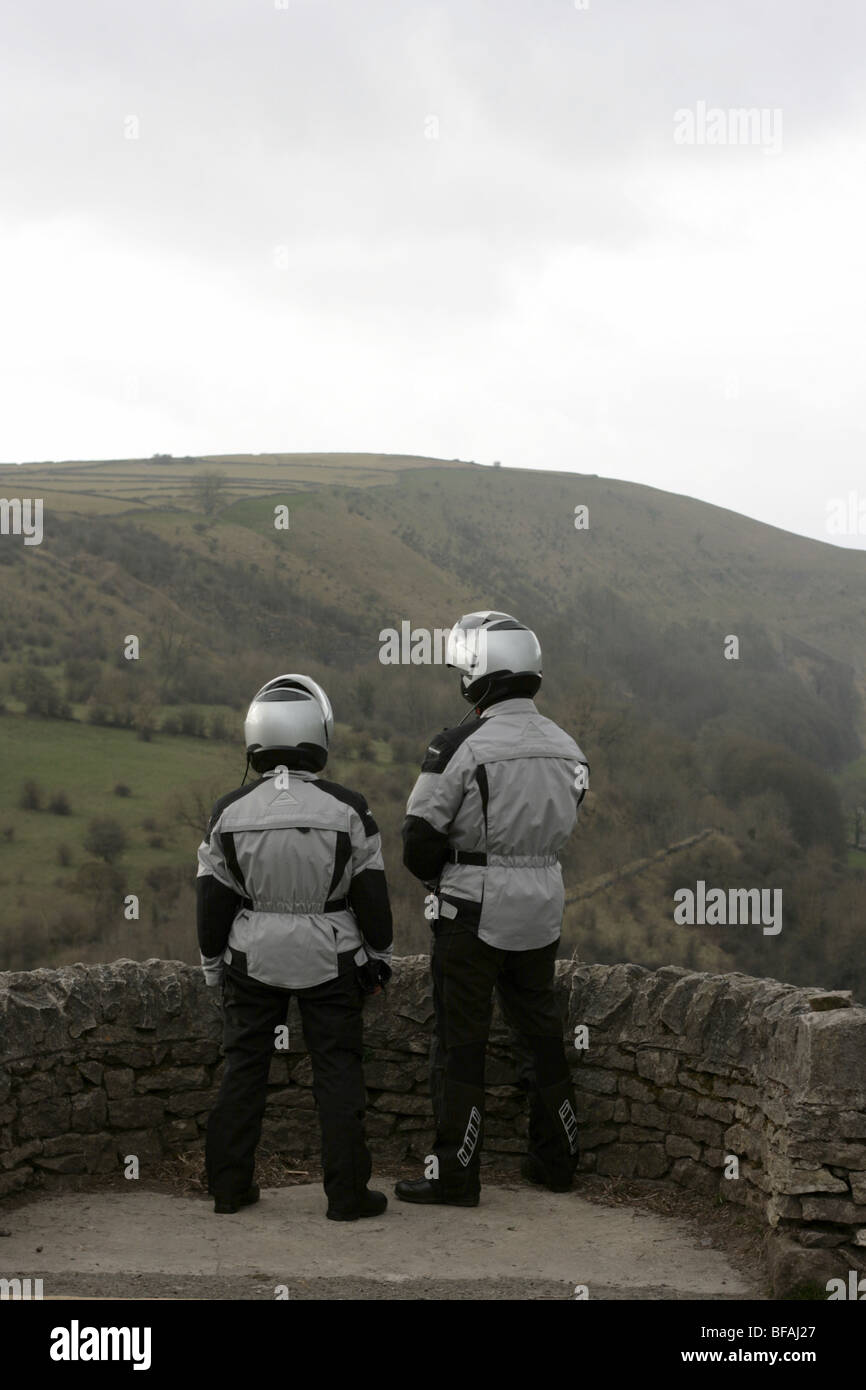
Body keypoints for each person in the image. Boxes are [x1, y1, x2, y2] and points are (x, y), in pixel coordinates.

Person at [395, 612, 589, 1207]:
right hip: (543, 906)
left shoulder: (458, 744)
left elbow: (417, 840)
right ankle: (557, 1163)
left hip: (473, 910)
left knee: (461, 1043)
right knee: (541, 1034)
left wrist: (447, 876)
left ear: (480, 673)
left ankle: (455, 1175)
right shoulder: (567, 746)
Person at [196, 673, 393, 1221]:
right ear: (318, 734)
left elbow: (212, 906)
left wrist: (214, 967)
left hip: (251, 957)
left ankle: (229, 1189)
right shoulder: (349, 809)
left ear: (255, 738)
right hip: (331, 957)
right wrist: (380, 956)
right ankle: (348, 1195)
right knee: (338, 1075)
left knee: (243, 1072)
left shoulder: (227, 812)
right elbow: (373, 902)